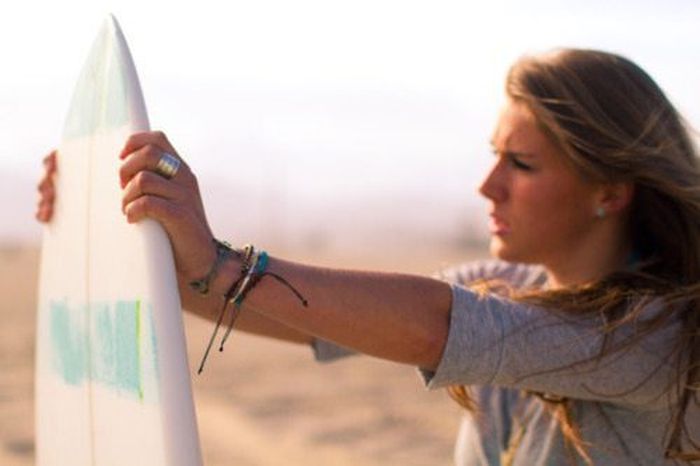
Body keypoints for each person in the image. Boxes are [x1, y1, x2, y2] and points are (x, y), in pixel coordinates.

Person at [36, 48, 700, 465]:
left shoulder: (654, 332)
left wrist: (225, 264)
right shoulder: (502, 285)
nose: (487, 184)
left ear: (609, 191)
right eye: (492, 155)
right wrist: (133, 232)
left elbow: (436, 323)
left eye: (521, 164)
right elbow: (304, 316)